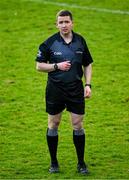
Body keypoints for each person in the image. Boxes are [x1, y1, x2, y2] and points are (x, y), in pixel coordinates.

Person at [35, 10, 93, 174]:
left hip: (75, 89)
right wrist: (56, 66)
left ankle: (81, 163)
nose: (64, 25)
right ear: (56, 24)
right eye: (60, 22)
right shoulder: (49, 43)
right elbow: (39, 66)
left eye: (66, 22)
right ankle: (54, 163)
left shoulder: (80, 41)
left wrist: (88, 84)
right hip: (55, 90)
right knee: (54, 124)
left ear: (72, 23)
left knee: (77, 124)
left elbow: (88, 64)